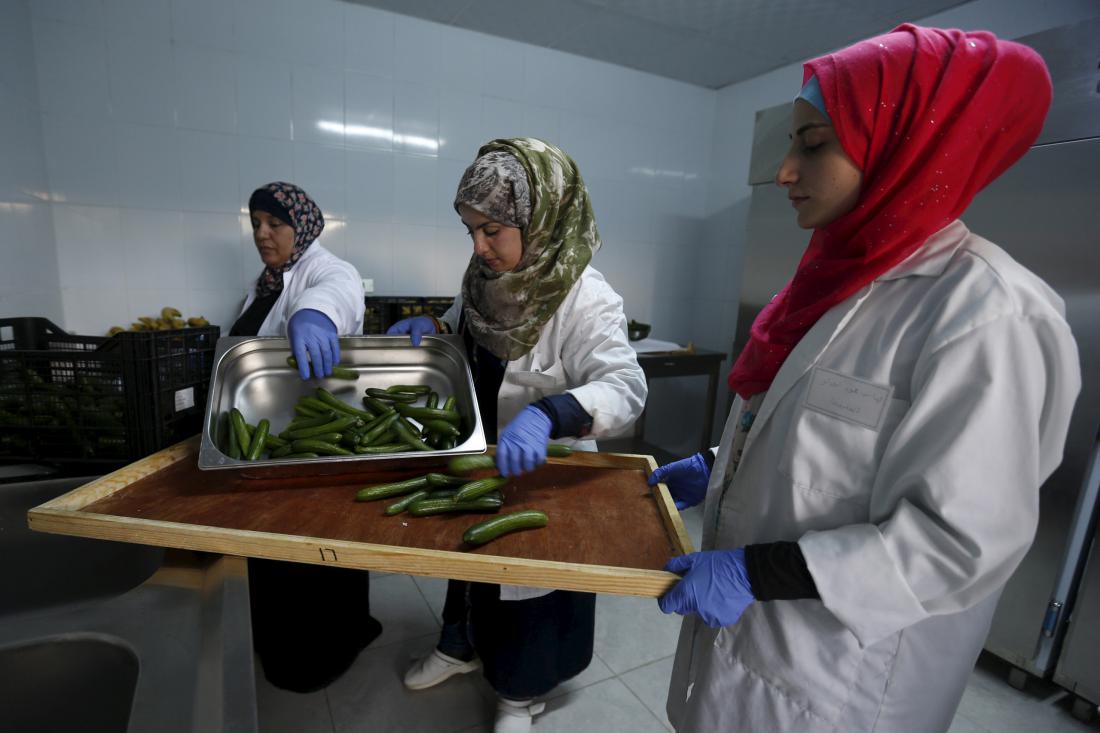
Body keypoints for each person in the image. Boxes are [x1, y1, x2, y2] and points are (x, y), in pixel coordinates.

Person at [649, 25, 1081, 732]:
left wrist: (754, 573)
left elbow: (959, 543)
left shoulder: (987, 315)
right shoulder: (837, 279)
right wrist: (723, 464)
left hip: (840, 687)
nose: (785, 170)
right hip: (742, 659)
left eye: (812, 143)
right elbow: (826, 447)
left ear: (906, 143)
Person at [387, 138, 647, 732]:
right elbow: (466, 332)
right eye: (470, 231)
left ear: (541, 218)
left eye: (493, 231)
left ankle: (518, 695)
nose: (479, 247)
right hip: (480, 458)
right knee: (470, 562)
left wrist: (553, 412)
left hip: (544, 477)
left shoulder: (587, 298)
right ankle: (458, 646)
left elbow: (626, 387)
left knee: (531, 594)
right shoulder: (484, 278)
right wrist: (433, 325)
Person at [232, 181, 381, 692]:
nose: (262, 233)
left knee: (316, 554)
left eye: (274, 223)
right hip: (273, 439)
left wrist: (313, 316)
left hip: (318, 435)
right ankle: (280, 641)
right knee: (277, 552)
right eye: (255, 223)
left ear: (303, 225)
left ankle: (320, 656)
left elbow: (336, 292)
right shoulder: (266, 282)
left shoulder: (325, 269)